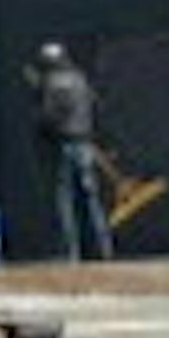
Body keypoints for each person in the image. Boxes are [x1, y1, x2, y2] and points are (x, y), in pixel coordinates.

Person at [27, 42, 113, 263]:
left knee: (62, 201)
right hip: (84, 143)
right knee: (90, 199)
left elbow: (46, 116)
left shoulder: (49, 83)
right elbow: (93, 106)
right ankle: (103, 250)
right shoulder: (79, 79)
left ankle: (67, 253)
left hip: (60, 144)